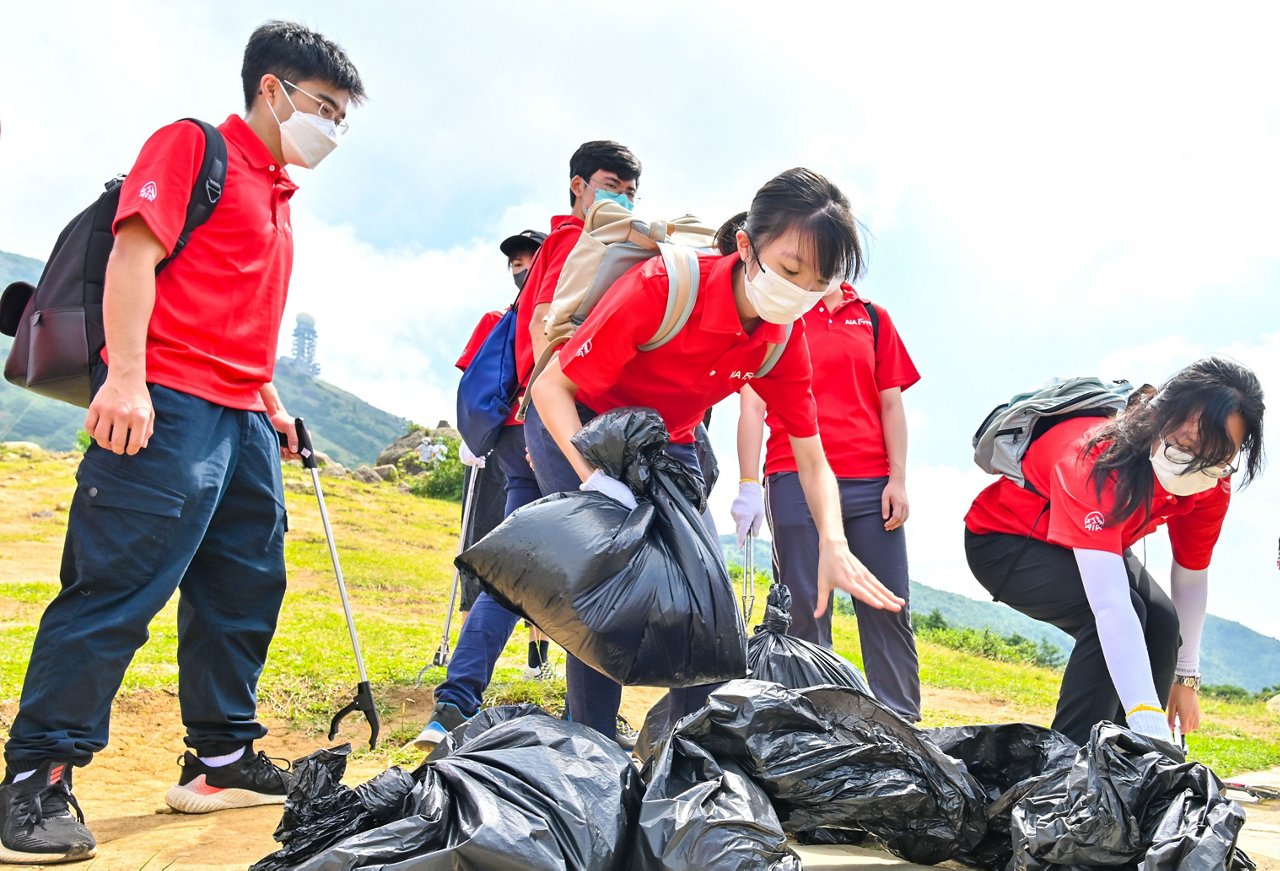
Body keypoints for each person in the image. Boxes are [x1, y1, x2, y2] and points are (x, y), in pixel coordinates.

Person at [0, 21, 364, 865]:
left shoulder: (275, 196)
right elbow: (135, 255)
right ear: (273, 91)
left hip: (240, 418)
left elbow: (234, 315)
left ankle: (221, 759)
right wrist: (124, 377)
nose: (335, 129)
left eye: (345, 116)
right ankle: (35, 781)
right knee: (115, 588)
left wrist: (269, 403)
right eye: (326, 107)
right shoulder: (193, 147)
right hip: (166, 404)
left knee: (243, 589)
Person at [527, 167, 906, 742]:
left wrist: (833, 541)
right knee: (602, 591)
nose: (798, 293)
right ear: (748, 248)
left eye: (817, 281)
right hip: (582, 423)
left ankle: (684, 762)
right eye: (789, 270)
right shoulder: (662, 287)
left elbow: (811, 455)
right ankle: (592, 747)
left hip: (669, 441)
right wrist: (593, 480)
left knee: (708, 606)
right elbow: (553, 388)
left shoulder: (782, 337)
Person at [412, 142, 644, 749]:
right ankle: (589, 728)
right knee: (587, 572)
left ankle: (455, 704)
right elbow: (552, 342)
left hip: (520, 441)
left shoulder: (561, 249)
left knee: (518, 571)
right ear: (577, 185)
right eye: (611, 184)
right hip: (558, 430)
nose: (622, 197)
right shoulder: (579, 244)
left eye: (631, 188)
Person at [963, 358, 1265, 746]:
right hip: (1008, 542)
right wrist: (1149, 719)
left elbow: (1190, 576)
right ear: (1159, 416)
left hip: (1096, 547)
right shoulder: (1095, 457)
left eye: (1218, 454)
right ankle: (1067, 764)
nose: (1195, 465)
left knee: (1162, 621)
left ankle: (1134, 764)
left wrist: (1186, 678)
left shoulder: (1212, 481)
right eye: (1186, 445)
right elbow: (1110, 607)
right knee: (1118, 618)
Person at [734, 263, 922, 721]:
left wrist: (897, 478)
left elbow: (891, 403)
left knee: (886, 602)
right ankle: (812, 722)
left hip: (870, 482)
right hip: (793, 476)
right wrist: (748, 484)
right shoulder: (783, 314)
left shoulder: (873, 317)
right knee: (806, 608)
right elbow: (753, 404)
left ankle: (901, 721)